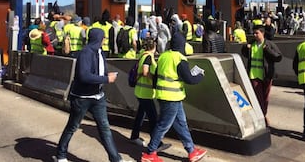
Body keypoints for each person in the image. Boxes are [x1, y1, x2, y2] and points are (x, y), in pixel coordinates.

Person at [54, 28, 131, 162]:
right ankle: (61, 155)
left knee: (105, 129)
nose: (104, 41)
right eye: (104, 38)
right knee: (72, 126)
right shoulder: (85, 53)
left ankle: (116, 159)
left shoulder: (100, 53)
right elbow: (84, 76)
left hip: (98, 97)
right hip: (81, 98)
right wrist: (106, 79)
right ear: (98, 39)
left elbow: (99, 72)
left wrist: (107, 76)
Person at [141, 32, 207, 162]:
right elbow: (189, 79)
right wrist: (200, 75)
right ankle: (149, 153)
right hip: (172, 96)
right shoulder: (180, 59)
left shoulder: (163, 56)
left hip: (164, 95)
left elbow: (156, 76)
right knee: (163, 125)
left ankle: (191, 151)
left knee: (181, 124)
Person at [130, 37, 171, 151]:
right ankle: (156, 143)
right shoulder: (148, 57)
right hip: (146, 93)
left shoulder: (142, 55)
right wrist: (154, 78)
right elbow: (145, 71)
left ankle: (134, 136)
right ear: (154, 46)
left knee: (140, 115)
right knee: (153, 118)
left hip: (141, 91)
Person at [242, 25, 282, 125]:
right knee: (258, 97)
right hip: (254, 75)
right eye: (254, 33)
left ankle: (263, 114)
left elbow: (278, 57)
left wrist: (267, 50)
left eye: (257, 33)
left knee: (265, 98)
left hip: (266, 75)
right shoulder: (251, 44)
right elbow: (245, 53)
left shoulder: (269, 44)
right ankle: (262, 116)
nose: (255, 35)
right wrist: (246, 48)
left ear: (262, 33)